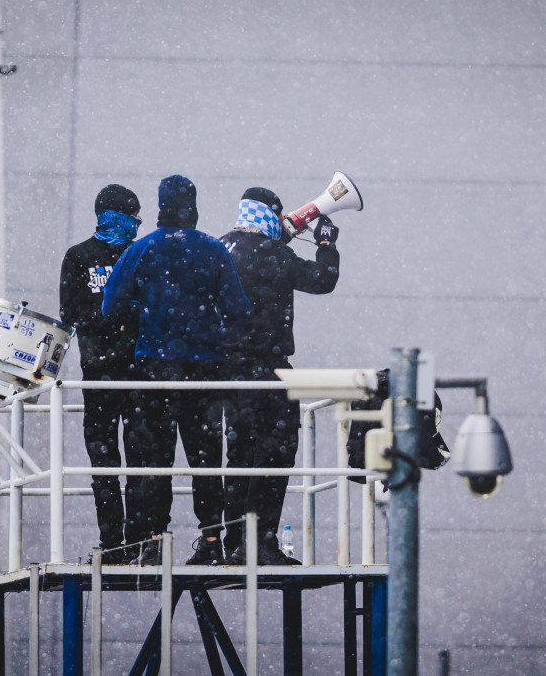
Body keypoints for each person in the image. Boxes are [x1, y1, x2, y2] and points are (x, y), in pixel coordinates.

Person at [102, 174, 249, 566]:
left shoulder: (142, 250)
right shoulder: (214, 250)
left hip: (155, 371)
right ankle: (213, 540)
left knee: (155, 461)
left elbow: (109, 307)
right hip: (205, 371)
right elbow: (238, 310)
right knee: (205, 461)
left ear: (160, 207)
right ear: (193, 207)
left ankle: (153, 541)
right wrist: (211, 331)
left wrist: (146, 312)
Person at [217, 187, 339, 565]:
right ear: (270, 213)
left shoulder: (222, 247)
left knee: (238, 455)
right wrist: (325, 244)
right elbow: (322, 280)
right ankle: (262, 541)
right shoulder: (272, 254)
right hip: (267, 369)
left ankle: (234, 540)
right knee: (275, 450)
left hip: (226, 372)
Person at [59, 183, 143, 565]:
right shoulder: (80, 257)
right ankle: (113, 542)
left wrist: (110, 320)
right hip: (101, 374)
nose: (137, 225)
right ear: (115, 216)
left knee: (142, 461)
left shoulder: (141, 253)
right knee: (105, 463)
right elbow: (70, 313)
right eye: (132, 217)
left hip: (138, 374)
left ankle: (139, 541)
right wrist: (118, 319)